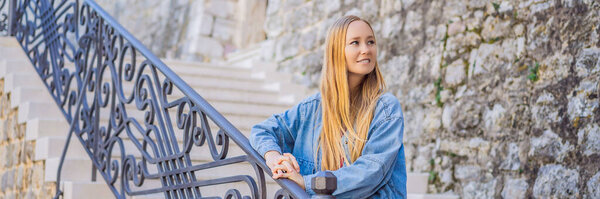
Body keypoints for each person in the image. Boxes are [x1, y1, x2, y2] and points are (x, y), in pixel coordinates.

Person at [250, 15, 406, 198]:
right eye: (355, 43)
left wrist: (307, 182)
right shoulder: (312, 109)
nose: (366, 49)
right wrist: (274, 159)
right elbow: (262, 130)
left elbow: (370, 172)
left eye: (370, 42)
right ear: (336, 51)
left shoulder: (386, 109)